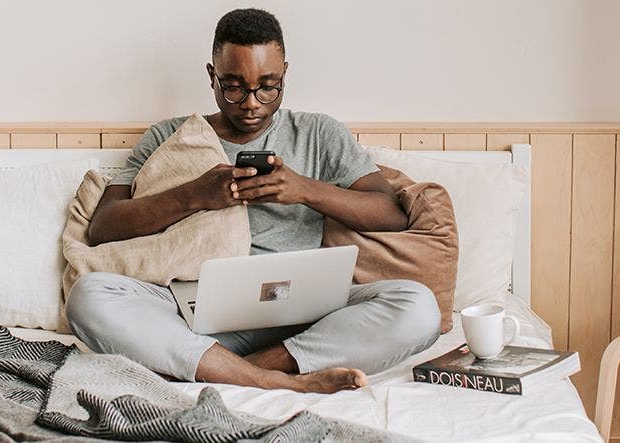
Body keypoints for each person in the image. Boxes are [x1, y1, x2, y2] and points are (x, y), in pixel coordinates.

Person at [65, 8, 440, 393]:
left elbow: (390, 213)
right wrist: (195, 195)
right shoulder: (170, 135)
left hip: (303, 318)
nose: (251, 103)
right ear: (212, 76)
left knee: (418, 306)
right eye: (233, 86)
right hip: (190, 315)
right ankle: (271, 380)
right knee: (88, 297)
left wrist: (303, 189)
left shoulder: (318, 133)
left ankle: (240, 369)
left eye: (268, 86)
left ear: (284, 75)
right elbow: (103, 227)